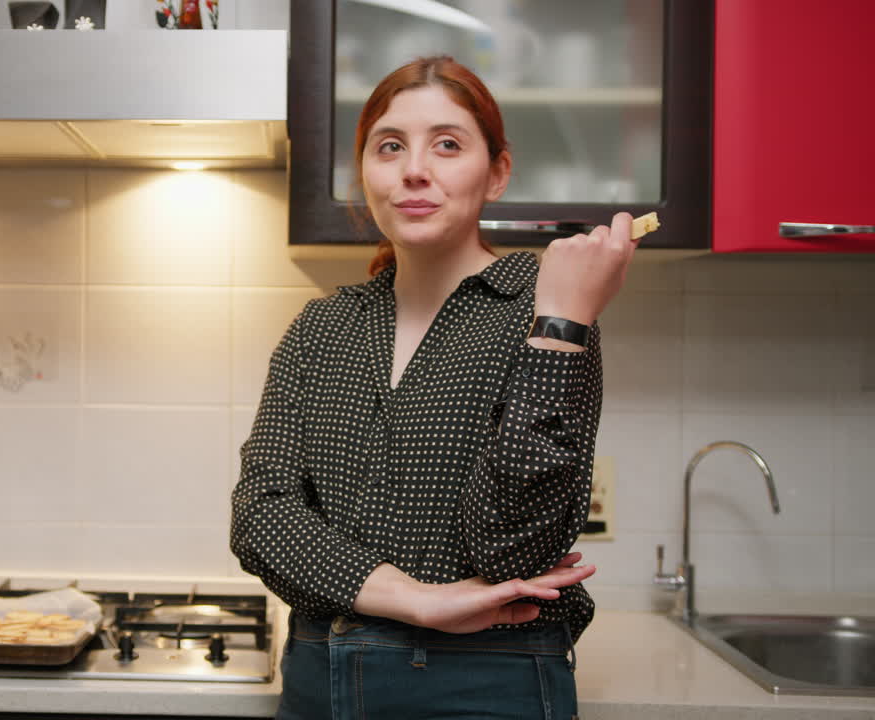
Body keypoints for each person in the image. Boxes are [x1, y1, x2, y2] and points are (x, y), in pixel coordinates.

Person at [231, 55, 639, 719]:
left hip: (486, 682)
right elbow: (260, 515)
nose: (414, 169)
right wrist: (417, 599)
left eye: (447, 145)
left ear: (497, 172)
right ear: (364, 173)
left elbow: (513, 548)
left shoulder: (547, 315)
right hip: (317, 674)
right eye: (389, 147)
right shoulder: (321, 327)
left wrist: (562, 326)